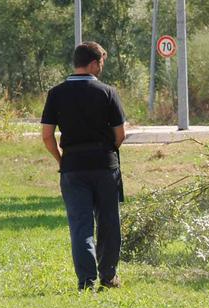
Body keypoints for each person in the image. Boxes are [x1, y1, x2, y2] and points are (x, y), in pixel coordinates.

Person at [41, 41, 127, 290]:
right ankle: (109, 276)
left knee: (81, 225)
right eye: (101, 63)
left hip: (73, 167)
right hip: (104, 165)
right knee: (109, 222)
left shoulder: (56, 94)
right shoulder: (107, 92)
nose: (101, 68)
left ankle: (86, 281)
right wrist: (109, 151)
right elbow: (120, 134)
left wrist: (61, 159)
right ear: (92, 63)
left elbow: (47, 136)